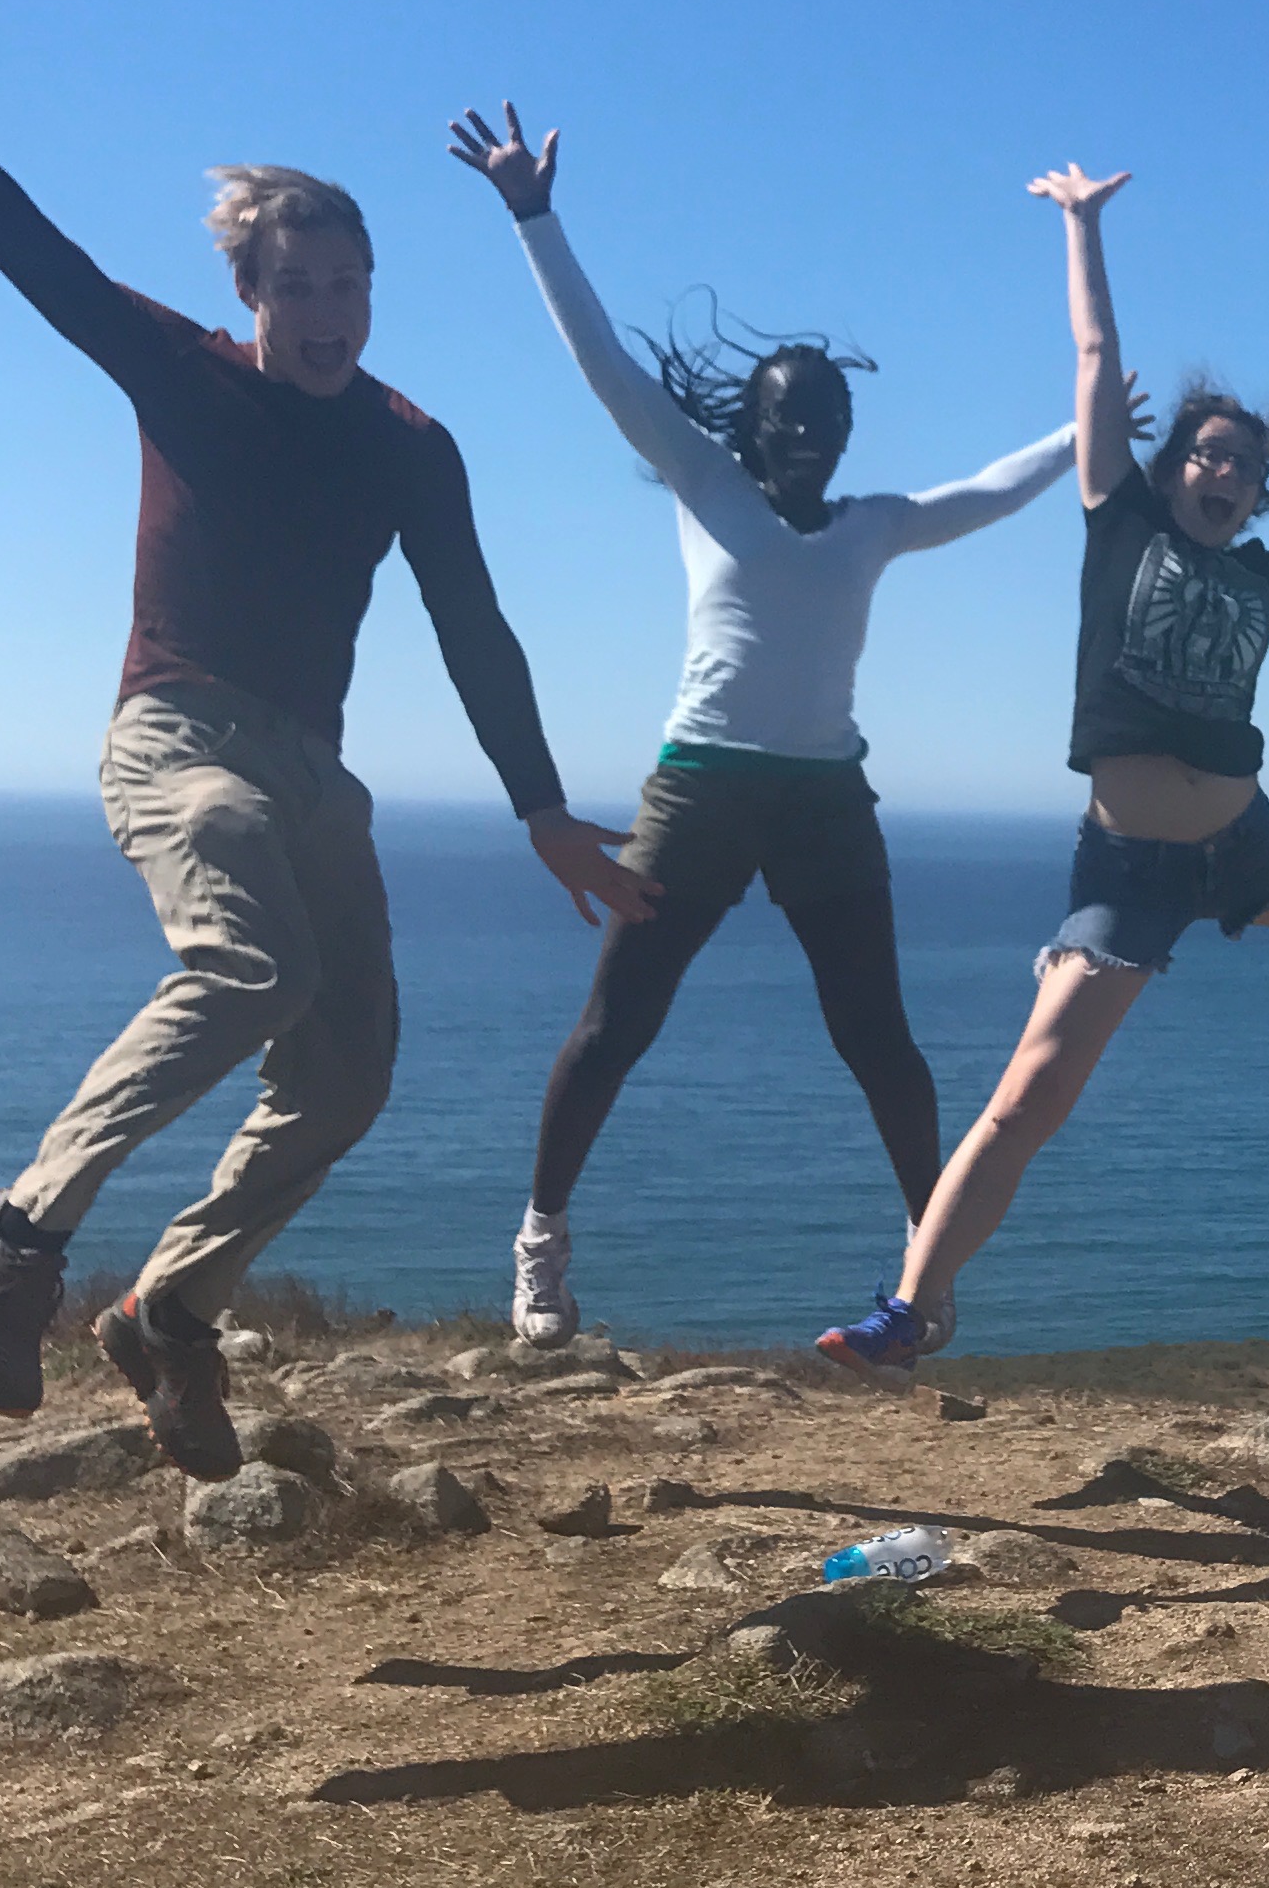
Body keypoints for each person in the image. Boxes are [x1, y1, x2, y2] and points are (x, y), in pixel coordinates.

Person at [0, 0, 646, 1476]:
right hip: (177, 737)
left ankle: (169, 1316)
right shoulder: (187, 374)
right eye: (297, 286)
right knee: (251, 967)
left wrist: (540, 810)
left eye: (350, 284)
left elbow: (476, 628)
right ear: (245, 293)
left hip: (313, 772)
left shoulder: (411, 444)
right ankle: (16, 1233)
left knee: (351, 1069)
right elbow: (27, 245)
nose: (328, 312)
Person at [809, 167, 1269, 1373]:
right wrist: (1083, 225)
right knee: (1029, 1096)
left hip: (1245, 835)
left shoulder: (1268, 577)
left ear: (1262, 492)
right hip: (1133, 867)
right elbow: (1099, 356)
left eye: (1247, 468)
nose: (1226, 475)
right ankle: (908, 1307)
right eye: (1210, 456)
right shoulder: (1120, 521)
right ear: (1173, 470)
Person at [445, 105, 1078, 1342]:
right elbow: (605, 369)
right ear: (752, 426)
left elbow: (991, 493)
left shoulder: (874, 523)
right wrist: (533, 215)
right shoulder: (704, 481)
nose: (811, 435)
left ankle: (924, 1270)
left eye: (829, 420)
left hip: (825, 800)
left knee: (879, 1039)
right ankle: (541, 1244)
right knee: (617, 1023)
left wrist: (1085, 432)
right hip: (701, 789)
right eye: (791, 417)